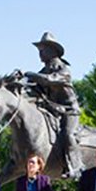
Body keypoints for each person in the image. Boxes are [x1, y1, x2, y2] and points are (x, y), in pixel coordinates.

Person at [24, 32, 81, 176]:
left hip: (68, 111)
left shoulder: (64, 69)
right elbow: (32, 86)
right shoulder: (44, 70)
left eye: (42, 50)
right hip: (52, 110)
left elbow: (49, 79)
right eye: (39, 51)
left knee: (67, 134)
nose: (40, 54)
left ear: (52, 50)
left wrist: (29, 74)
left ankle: (75, 167)